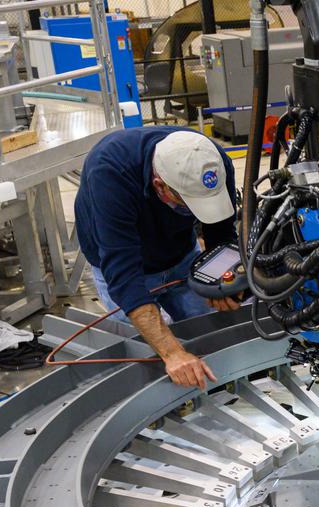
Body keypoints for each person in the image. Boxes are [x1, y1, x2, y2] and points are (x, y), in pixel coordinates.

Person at [75, 127, 243, 389]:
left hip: (181, 254)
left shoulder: (211, 162)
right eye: (190, 205)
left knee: (206, 333)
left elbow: (220, 231)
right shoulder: (110, 175)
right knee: (151, 360)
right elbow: (124, 277)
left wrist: (220, 278)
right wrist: (172, 353)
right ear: (160, 186)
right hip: (122, 265)